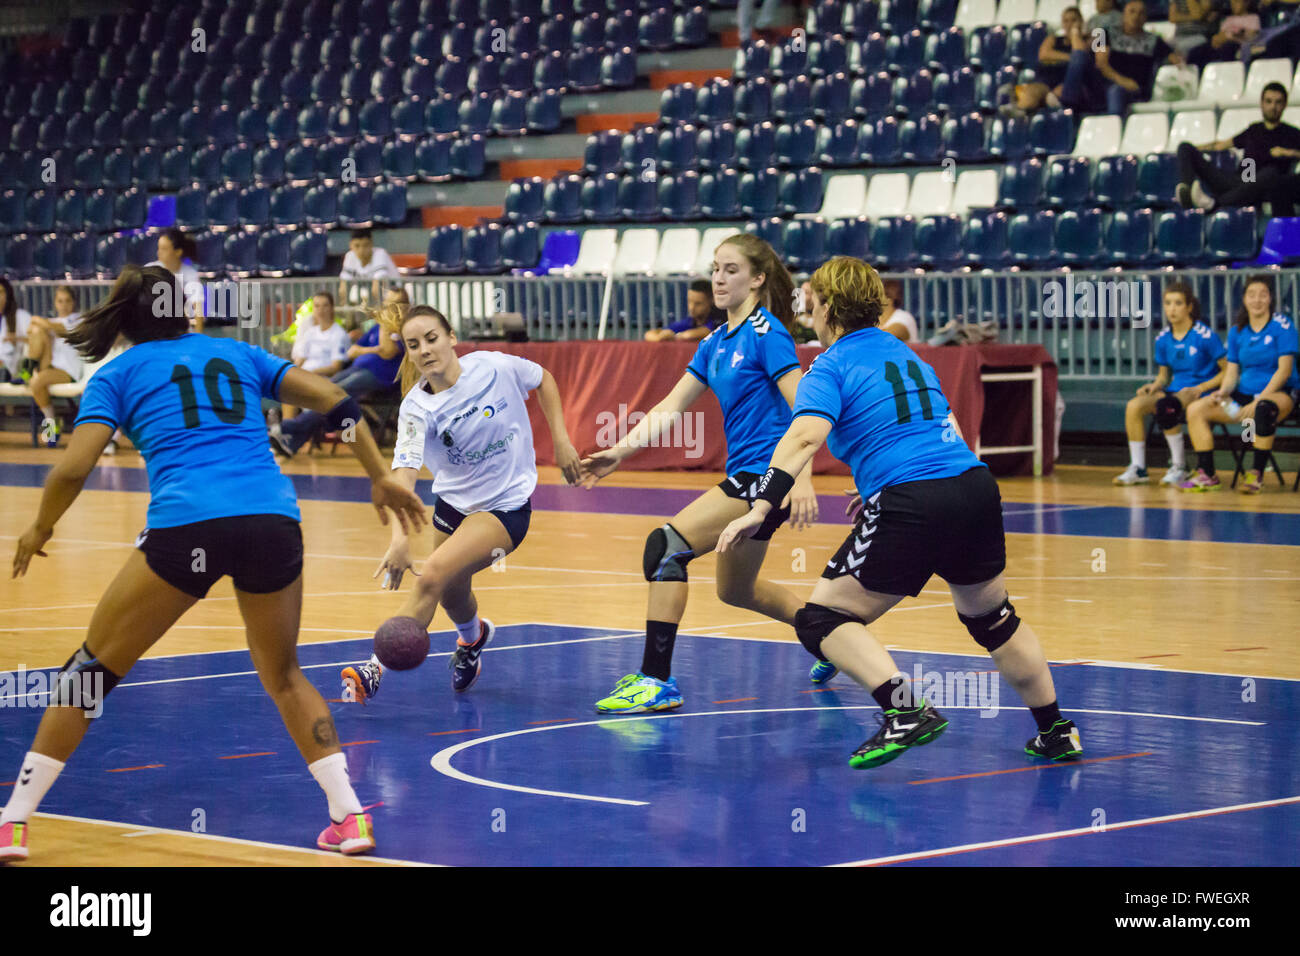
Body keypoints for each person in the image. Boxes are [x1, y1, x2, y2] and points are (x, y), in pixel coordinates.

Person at [2, 265, 428, 863]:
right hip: (271, 522)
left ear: (123, 316)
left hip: (187, 526)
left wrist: (39, 528)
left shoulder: (117, 373)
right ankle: (350, 815)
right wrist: (379, 476)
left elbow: (73, 469)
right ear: (180, 307)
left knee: (90, 671)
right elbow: (339, 404)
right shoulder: (236, 352)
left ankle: (14, 822)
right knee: (284, 676)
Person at [716, 256, 1083, 769]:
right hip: (972, 486)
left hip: (914, 497)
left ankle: (905, 711)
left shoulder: (830, 363)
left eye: (811, 304)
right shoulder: (908, 355)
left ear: (827, 307)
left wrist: (761, 506)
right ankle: (1056, 730)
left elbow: (804, 436)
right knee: (993, 618)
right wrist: (883, 482)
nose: (808, 314)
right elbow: (941, 425)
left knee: (821, 617)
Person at [580, 234, 823, 715]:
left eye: (731, 269)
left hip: (766, 475)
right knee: (736, 591)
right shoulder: (715, 341)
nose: (718, 277)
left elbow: (807, 407)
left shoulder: (766, 332)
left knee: (666, 547)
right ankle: (831, 635)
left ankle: (656, 680)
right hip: (748, 475)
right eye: (715, 268)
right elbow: (671, 407)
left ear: (756, 279)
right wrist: (620, 453)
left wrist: (803, 477)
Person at [339, 306, 584, 702]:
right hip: (452, 508)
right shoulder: (417, 409)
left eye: (432, 338)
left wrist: (560, 439)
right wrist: (399, 538)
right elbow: (403, 475)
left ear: (452, 337)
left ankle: (373, 669)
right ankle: (473, 640)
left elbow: (544, 379)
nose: (425, 350)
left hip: (505, 509)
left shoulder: (493, 367)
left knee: (433, 573)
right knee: (452, 593)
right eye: (414, 345)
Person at [1180, 274, 1299, 493]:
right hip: (1242, 404)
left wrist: (1261, 398)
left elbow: (1284, 371)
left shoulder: (1282, 326)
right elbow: (1232, 371)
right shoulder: (1237, 332)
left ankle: (1256, 475)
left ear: (1270, 298)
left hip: (1279, 395)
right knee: (1197, 409)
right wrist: (1223, 391)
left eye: (1263, 295)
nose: (1257, 300)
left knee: (1263, 410)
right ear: (1244, 299)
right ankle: (1207, 474)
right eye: (1252, 295)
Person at [1114, 281, 1227, 486]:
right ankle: (1138, 468)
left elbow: (1227, 372)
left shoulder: (1205, 336)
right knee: (1134, 406)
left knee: (1166, 406)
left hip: (1201, 392)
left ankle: (1179, 466)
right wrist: (1154, 385)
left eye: (1178, 303)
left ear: (1189, 307)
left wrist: (1201, 388)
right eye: (1168, 304)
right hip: (1175, 391)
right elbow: (1164, 376)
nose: (1172, 309)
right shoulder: (1163, 339)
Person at [272, 288, 407, 457]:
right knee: (327, 392)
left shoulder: (402, 328)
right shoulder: (377, 327)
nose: (388, 307)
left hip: (380, 377)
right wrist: (373, 349)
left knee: (334, 395)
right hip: (357, 368)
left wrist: (378, 336)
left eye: (394, 304)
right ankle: (291, 442)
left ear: (404, 306)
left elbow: (388, 352)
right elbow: (352, 351)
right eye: (387, 303)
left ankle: (288, 428)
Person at [1177, 83, 1300, 216]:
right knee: (1185, 147)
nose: (1273, 107)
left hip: (1262, 188)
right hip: (1240, 179)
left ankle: (1214, 204)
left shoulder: (1292, 133)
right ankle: (1187, 194)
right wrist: (1196, 150)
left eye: (1278, 102)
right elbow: (1220, 145)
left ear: (1285, 105)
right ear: (1262, 103)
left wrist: (1288, 152)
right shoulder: (1254, 129)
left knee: (1271, 173)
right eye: (1268, 101)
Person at [1096, 1, 1186, 114]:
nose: (1136, 16)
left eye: (1141, 13)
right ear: (1123, 15)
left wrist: (1178, 59)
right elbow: (1101, 64)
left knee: (1116, 92)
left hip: (1136, 91)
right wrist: (1123, 82)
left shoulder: (1154, 40)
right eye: (1132, 11)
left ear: (1146, 18)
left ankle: (1115, 127)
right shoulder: (1101, 33)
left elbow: (1175, 57)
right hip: (1103, 84)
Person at [24, 286, 83, 448]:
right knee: (38, 332)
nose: (64, 305)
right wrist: (36, 327)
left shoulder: (78, 319)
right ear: (55, 304)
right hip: (49, 363)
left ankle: (51, 422)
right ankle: (27, 372)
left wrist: (36, 321)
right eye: (60, 301)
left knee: (36, 382)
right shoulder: (50, 322)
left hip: (69, 370)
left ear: (74, 303)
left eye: (67, 301)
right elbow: (33, 331)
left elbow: (59, 329)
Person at [282, 291, 351, 421]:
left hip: (325, 380)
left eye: (325, 306)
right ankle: (287, 431)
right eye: (317, 306)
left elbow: (336, 367)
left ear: (331, 308)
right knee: (287, 389)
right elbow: (300, 359)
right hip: (306, 377)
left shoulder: (339, 334)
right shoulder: (310, 333)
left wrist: (312, 373)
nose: (320, 310)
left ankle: (291, 431)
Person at [148, 228, 203, 333]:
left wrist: (198, 340)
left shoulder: (190, 274)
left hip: (181, 334)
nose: (159, 253)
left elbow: (198, 310)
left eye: (164, 249)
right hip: (153, 333)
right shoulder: (149, 270)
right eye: (159, 248)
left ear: (178, 252)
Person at [645, 279, 724, 342]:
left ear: (711, 301)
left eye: (698, 304)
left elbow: (704, 332)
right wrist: (660, 338)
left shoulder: (719, 318)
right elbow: (649, 334)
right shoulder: (689, 322)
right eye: (689, 301)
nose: (691, 308)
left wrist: (675, 337)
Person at [338, 228, 399, 308]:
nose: (361, 250)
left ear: (371, 244)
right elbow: (343, 288)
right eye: (357, 246)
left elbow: (376, 289)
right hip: (368, 296)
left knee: (364, 294)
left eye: (365, 245)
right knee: (355, 293)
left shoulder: (380, 254)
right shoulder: (350, 256)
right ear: (351, 245)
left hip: (396, 294)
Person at [1188, 0, 1260, 64]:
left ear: (1246, 3)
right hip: (1221, 44)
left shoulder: (1253, 18)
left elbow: (1250, 36)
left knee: (1227, 48)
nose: (1233, 5)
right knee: (1196, 52)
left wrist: (1229, 36)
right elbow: (1221, 34)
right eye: (1231, 2)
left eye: (1236, 2)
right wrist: (1216, 39)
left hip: (1237, 44)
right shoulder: (1228, 19)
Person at [1036, 6, 1086, 89]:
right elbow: (1043, 54)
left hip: (1068, 85)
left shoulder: (1084, 42)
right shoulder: (1053, 39)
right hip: (1045, 81)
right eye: (1066, 21)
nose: (1069, 24)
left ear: (1081, 22)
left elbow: (1079, 57)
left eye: (1073, 20)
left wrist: (1075, 34)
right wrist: (1070, 58)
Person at [0, 277, 33, 385]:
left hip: (11, 369)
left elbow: (37, 340)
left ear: (8, 295)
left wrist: (17, 339)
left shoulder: (21, 316)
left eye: (1, 292)